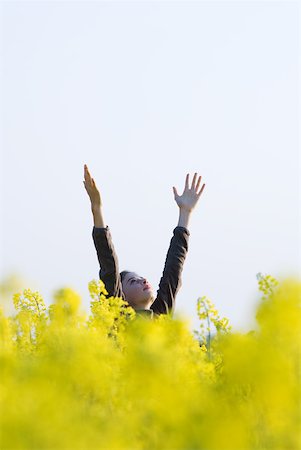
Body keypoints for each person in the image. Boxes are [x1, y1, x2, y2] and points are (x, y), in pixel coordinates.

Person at [83, 164, 205, 318]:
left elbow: (173, 268)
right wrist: (96, 207)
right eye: (133, 282)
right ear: (122, 298)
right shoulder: (117, 320)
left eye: (140, 279)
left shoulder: (160, 317)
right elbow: (108, 264)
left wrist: (185, 212)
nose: (143, 281)